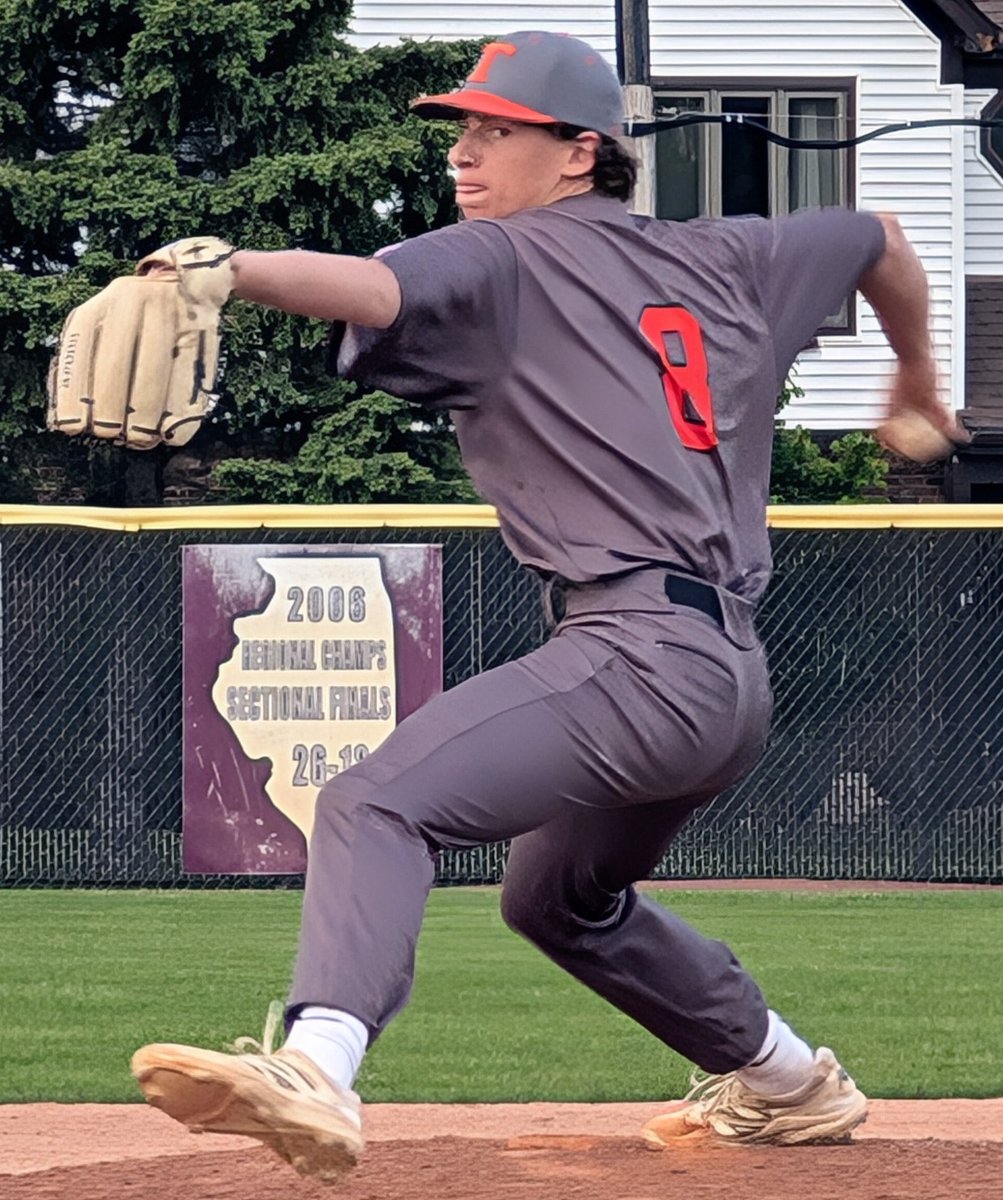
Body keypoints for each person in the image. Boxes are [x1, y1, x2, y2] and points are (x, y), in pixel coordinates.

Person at [130, 30, 960, 1181]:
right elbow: (881, 237)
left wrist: (227, 267)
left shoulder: (502, 259)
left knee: (374, 803)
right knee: (560, 897)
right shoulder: (729, 254)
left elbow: (371, 285)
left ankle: (317, 1062)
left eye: (493, 130)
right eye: (461, 130)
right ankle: (784, 1080)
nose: (464, 154)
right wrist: (917, 378)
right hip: (725, 682)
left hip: (634, 653)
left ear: (579, 154)